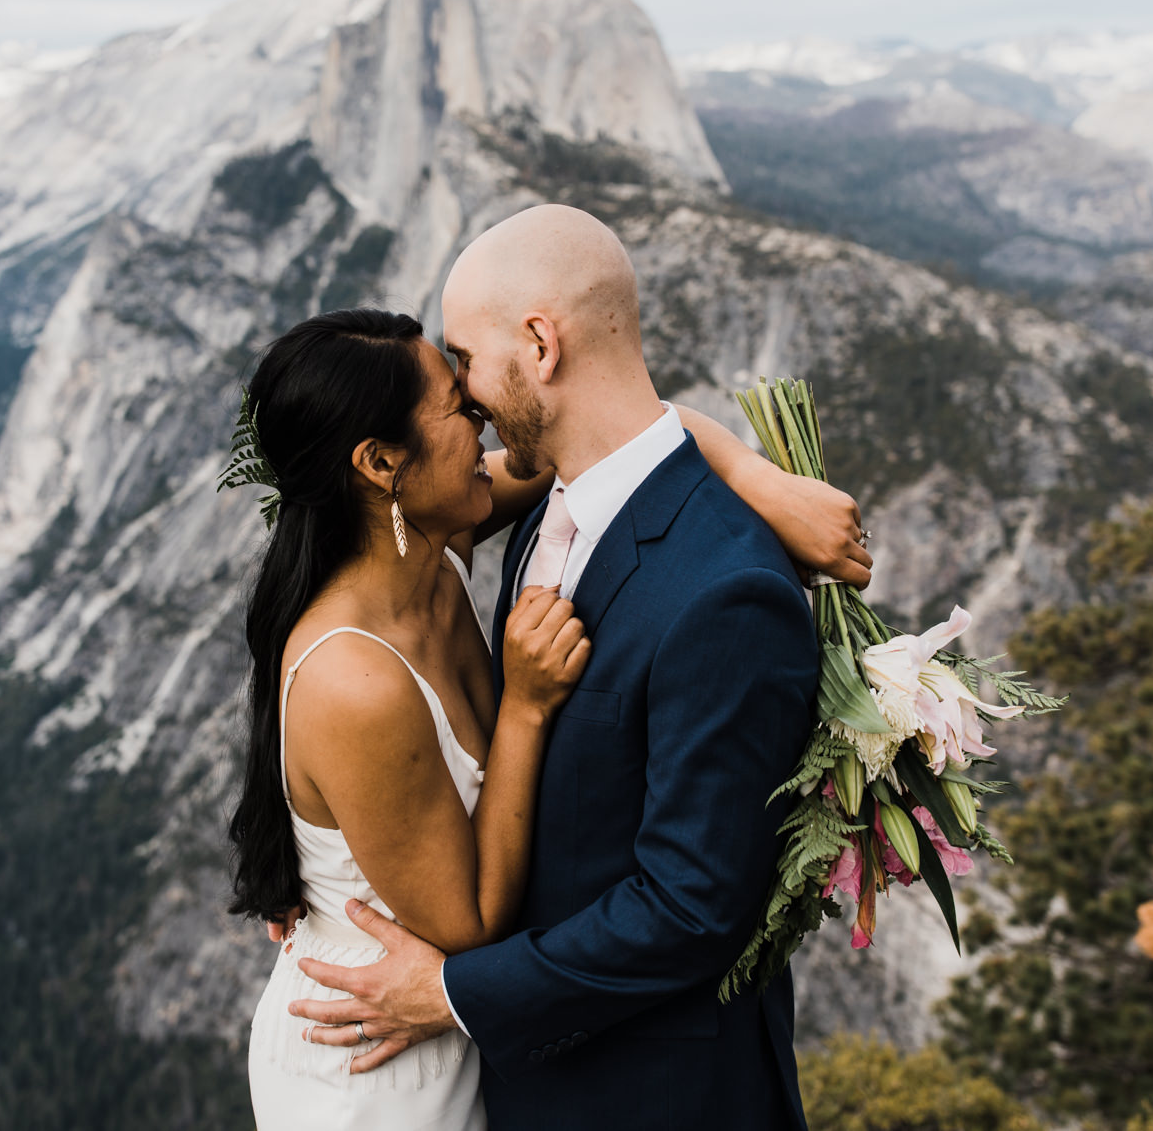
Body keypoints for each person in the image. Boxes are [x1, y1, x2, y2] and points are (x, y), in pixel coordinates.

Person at [238, 210, 869, 1130]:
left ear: (539, 344)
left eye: (464, 363)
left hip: (643, 1094)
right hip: (382, 1050)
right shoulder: (512, 520)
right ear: (379, 466)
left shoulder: (713, 586)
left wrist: (756, 478)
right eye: (448, 388)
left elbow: (693, 907)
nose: (467, 396)